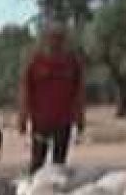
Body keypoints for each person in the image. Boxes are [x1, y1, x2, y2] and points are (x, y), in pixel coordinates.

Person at [17, 22, 86, 174]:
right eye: (53, 37)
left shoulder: (72, 63)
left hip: (64, 121)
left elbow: (79, 92)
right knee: (37, 161)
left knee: (59, 163)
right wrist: (22, 116)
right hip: (41, 121)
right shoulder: (35, 63)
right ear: (46, 39)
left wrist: (80, 116)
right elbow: (25, 90)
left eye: (60, 38)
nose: (57, 41)